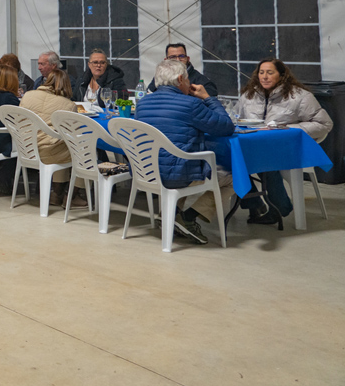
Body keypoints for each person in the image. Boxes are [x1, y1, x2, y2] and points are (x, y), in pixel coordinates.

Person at [135, 59, 236, 244]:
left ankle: (169, 214)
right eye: (188, 79)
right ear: (181, 79)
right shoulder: (190, 104)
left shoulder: (142, 103)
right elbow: (226, 126)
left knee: (178, 158)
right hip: (176, 175)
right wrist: (208, 98)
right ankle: (188, 216)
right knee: (235, 176)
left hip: (146, 172)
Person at [236, 58, 332, 224]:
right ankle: (255, 203)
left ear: (281, 75)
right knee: (231, 160)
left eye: (270, 72)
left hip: (287, 148)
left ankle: (278, 208)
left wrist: (288, 129)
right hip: (256, 146)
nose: (264, 76)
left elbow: (324, 124)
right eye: (261, 72)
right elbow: (236, 119)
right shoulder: (249, 95)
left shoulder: (299, 96)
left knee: (263, 160)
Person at [19, 70, 84, 206]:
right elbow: (73, 131)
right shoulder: (68, 105)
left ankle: (56, 194)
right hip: (48, 152)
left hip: (26, 148)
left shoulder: (28, 96)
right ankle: (72, 196)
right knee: (79, 148)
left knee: (60, 144)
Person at [146, 44, 217, 96]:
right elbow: (148, 94)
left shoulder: (201, 80)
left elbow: (211, 98)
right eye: (172, 57)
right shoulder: (160, 76)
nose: (177, 60)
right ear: (166, 60)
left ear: (188, 59)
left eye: (181, 56)